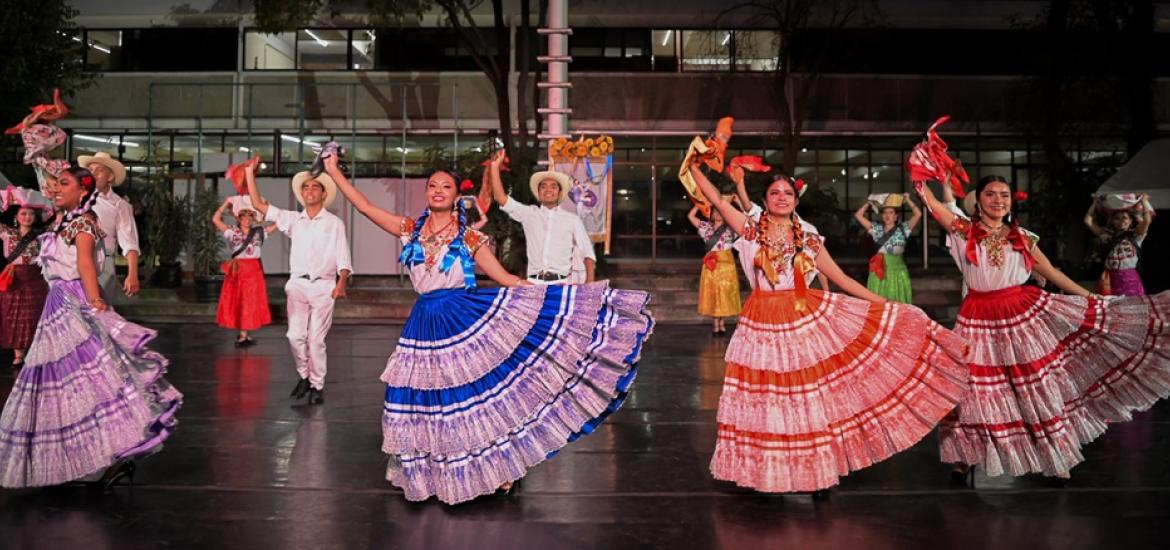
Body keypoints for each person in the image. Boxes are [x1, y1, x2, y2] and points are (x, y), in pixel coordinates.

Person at [320, 153, 653, 504]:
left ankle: (495, 470)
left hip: (461, 317)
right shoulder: (409, 229)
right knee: (427, 399)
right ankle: (437, 472)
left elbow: (506, 278)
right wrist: (333, 172)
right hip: (424, 322)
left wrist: (559, 295)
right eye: (432, 186)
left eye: (445, 186)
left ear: (454, 197)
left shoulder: (469, 238)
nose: (437, 190)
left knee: (475, 398)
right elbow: (365, 206)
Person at [689, 163, 969, 496]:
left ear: (795, 200)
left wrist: (887, 305)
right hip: (760, 322)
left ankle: (816, 471)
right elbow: (717, 202)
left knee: (806, 399)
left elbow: (843, 280)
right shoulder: (750, 228)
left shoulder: (808, 239)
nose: (781, 198)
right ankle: (770, 469)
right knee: (767, 399)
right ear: (764, 199)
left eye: (787, 194)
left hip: (799, 318)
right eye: (774, 193)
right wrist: (694, 166)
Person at [916, 175, 1170, 483]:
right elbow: (933, 205)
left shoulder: (1021, 236)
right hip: (977, 317)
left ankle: (1055, 455)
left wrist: (1091, 298)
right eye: (991, 194)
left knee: (1033, 388)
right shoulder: (963, 231)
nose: (999, 200)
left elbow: (1049, 271)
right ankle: (966, 456)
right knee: (972, 390)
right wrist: (920, 175)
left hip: (1018, 313)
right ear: (979, 200)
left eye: (1005, 195)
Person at [0, 167, 182, 490]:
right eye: (55, 184)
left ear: (83, 192)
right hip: (56, 303)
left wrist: (95, 299)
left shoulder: (84, 221)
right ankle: (86, 458)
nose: (55, 189)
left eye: (64, 184)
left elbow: (85, 263)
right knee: (68, 383)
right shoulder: (62, 221)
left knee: (89, 380)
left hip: (73, 299)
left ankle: (109, 456)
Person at [243, 163, 351, 406]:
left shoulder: (334, 223)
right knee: (295, 335)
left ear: (324, 194)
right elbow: (259, 205)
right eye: (306, 188)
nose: (310, 191)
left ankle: (317, 385)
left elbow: (343, 254)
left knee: (315, 340)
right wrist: (250, 173)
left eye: (315, 187)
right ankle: (304, 376)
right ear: (301, 194)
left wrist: (342, 281)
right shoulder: (293, 220)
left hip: (324, 286)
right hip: (298, 285)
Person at [488, 153, 596, 284]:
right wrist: (494, 167)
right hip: (532, 284)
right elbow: (501, 199)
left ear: (560, 192)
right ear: (539, 193)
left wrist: (590, 287)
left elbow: (588, 255)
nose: (548, 190)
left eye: (553, 186)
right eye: (543, 186)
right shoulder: (529, 214)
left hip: (561, 285)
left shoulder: (572, 220)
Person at [212, 195, 277, 347]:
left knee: (250, 301)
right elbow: (215, 220)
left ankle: (244, 335)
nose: (247, 220)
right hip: (239, 269)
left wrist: (267, 206)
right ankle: (243, 335)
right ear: (239, 218)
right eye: (244, 217)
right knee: (239, 300)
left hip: (254, 270)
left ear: (253, 219)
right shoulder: (232, 232)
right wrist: (225, 204)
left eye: (250, 217)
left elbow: (279, 222)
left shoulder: (260, 232)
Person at [0, 187, 53, 368]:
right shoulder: (7, 233)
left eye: (31, 213)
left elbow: (58, 222)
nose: (27, 217)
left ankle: (33, 352)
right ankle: (18, 354)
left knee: (33, 315)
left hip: (35, 278)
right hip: (14, 278)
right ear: (17, 216)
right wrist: (7, 200)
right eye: (23, 213)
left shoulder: (42, 235)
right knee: (13, 316)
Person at [77, 152, 140, 300]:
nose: (92, 173)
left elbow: (129, 241)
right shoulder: (76, 197)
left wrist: (132, 274)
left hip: (102, 265)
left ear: (110, 177)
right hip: (72, 263)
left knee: (100, 314)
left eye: (98, 170)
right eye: (90, 170)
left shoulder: (120, 205)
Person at [853, 194, 922, 303]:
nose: (887, 215)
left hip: (898, 275)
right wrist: (870, 202)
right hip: (879, 274)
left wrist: (908, 199)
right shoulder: (876, 229)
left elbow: (918, 214)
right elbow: (858, 215)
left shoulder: (904, 229)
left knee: (898, 307)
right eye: (884, 213)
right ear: (881, 216)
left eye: (891, 213)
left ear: (896, 216)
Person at [1083, 194, 1153, 296]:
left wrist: (1144, 200)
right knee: (1110, 307)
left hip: (1129, 279)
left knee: (1132, 307)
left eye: (1124, 218)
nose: (1121, 221)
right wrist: (1095, 203)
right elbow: (1087, 221)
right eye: (1117, 218)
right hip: (1109, 279)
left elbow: (1147, 221)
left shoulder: (1135, 235)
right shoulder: (1107, 236)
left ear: (1130, 221)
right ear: (1112, 221)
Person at [688, 203, 741, 334]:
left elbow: (745, 221)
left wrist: (737, 204)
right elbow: (690, 216)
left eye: (720, 212)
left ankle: (721, 322)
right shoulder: (706, 227)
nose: (717, 214)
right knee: (713, 293)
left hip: (727, 264)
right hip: (712, 263)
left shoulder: (731, 228)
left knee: (724, 293)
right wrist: (700, 204)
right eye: (715, 212)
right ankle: (715, 323)